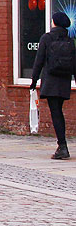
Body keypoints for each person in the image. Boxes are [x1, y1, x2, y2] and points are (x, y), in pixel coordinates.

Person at [30, 11, 75, 160]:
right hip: (64, 81)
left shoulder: (47, 38)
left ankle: (62, 146)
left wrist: (34, 80)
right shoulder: (69, 40)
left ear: (54, 22)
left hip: (50, 81)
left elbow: (39, 60)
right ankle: (62, 145)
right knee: (58, 112)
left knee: (56, 113)